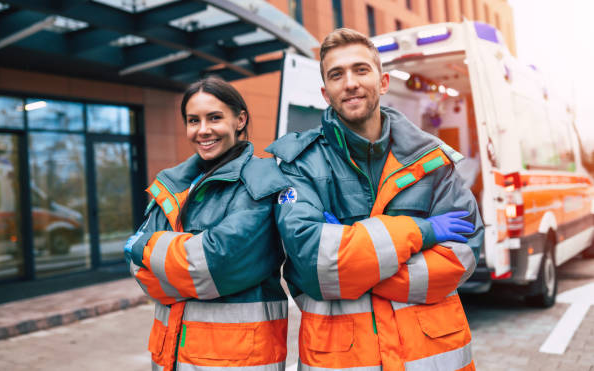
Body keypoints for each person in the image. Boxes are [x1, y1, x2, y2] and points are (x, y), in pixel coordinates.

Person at [267, 28, 484, 370]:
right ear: (326, 92)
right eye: (337, 75)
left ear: (383, 82)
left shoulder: (430, 158)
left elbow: (463, 255)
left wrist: (353, 260)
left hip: (431, 357)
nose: (350, 82)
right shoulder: (299, 164)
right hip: (344, 359)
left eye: (361, 70)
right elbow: (312, 265)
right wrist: (421, 231)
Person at [124, 77, 289, 371]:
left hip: (236, 360)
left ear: (240, 120)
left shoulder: (260, 182)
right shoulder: (173, 184)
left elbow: (214, 264)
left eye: (214, 118)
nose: (203, 130)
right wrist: (179, 263)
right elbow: (139, 270)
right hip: (170, 356)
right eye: (193, 120)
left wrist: (146, 249)